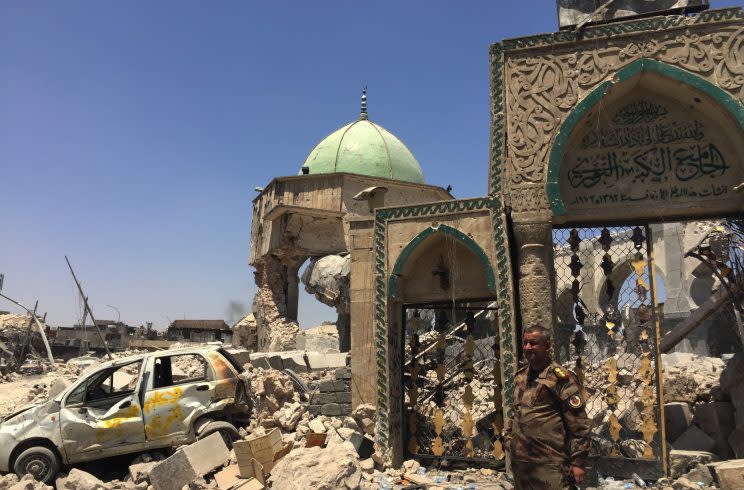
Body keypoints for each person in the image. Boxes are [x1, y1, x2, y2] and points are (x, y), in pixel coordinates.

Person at [503, 324, 591, 489]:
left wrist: (578, 462)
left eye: (534, 343)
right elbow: (516, 412)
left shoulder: (561, 378)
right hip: (521, 464)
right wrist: (508, 439)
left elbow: (579, 424)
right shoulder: (521, 376)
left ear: (547, 345)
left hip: (550, 464)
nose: (528, 347)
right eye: (525, 343)